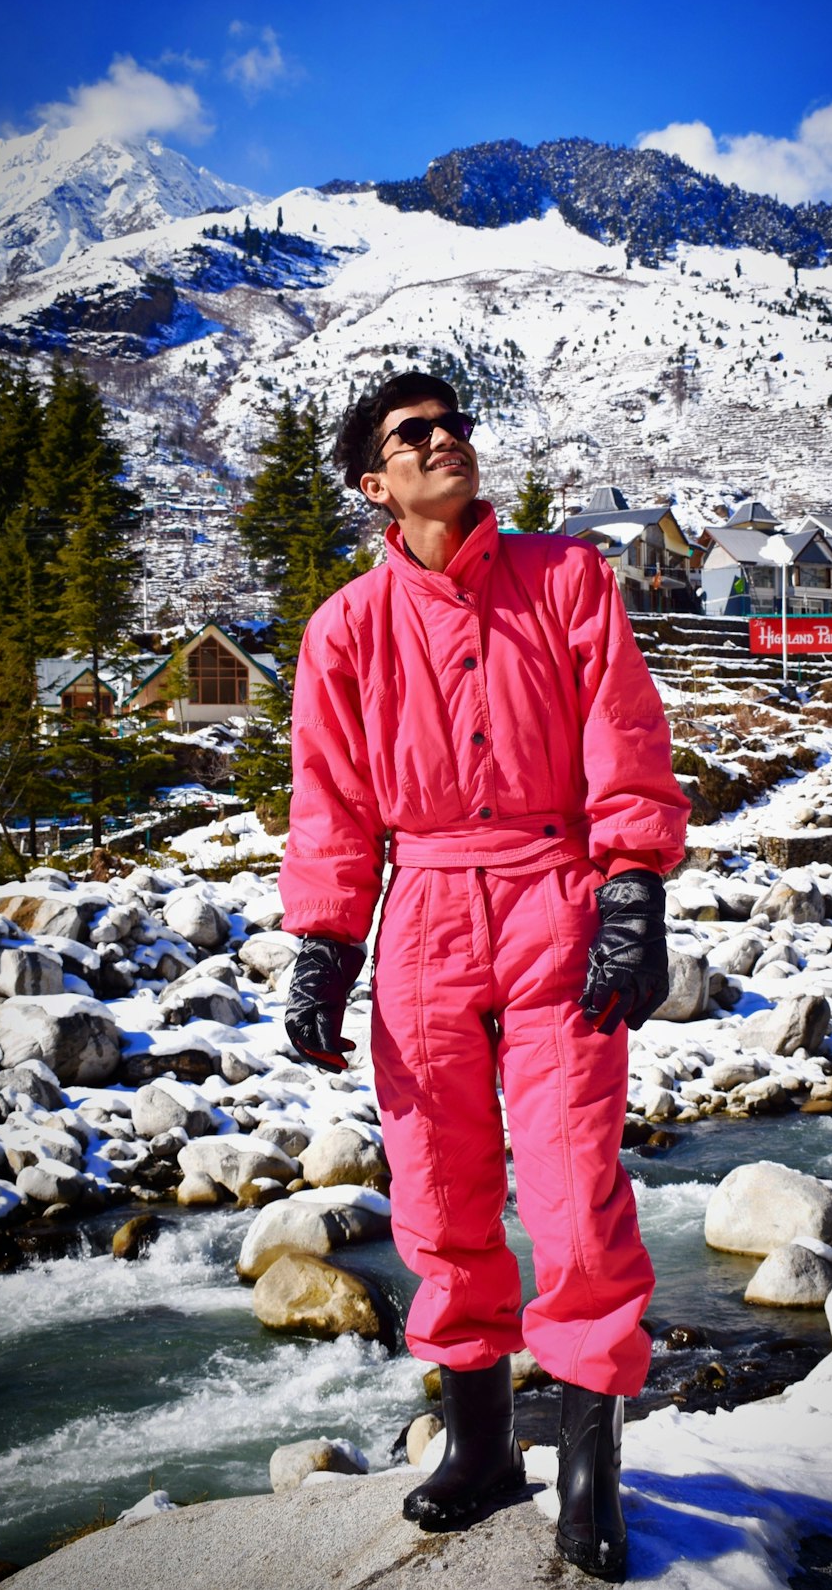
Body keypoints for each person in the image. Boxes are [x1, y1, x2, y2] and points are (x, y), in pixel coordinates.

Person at [279, 371, 690, 1582]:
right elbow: (331, 801)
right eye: (415, 433)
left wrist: (632, 891)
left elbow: (623, 731)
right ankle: (480, 1448)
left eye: (454, 423)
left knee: (572, 1185)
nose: (445, 439)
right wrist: (324, 946)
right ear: (375, 482)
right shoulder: (344, 628)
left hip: (555, 894)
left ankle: (590, 1470)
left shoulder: (566, 578)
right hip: (422, 916)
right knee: (438, 1189)